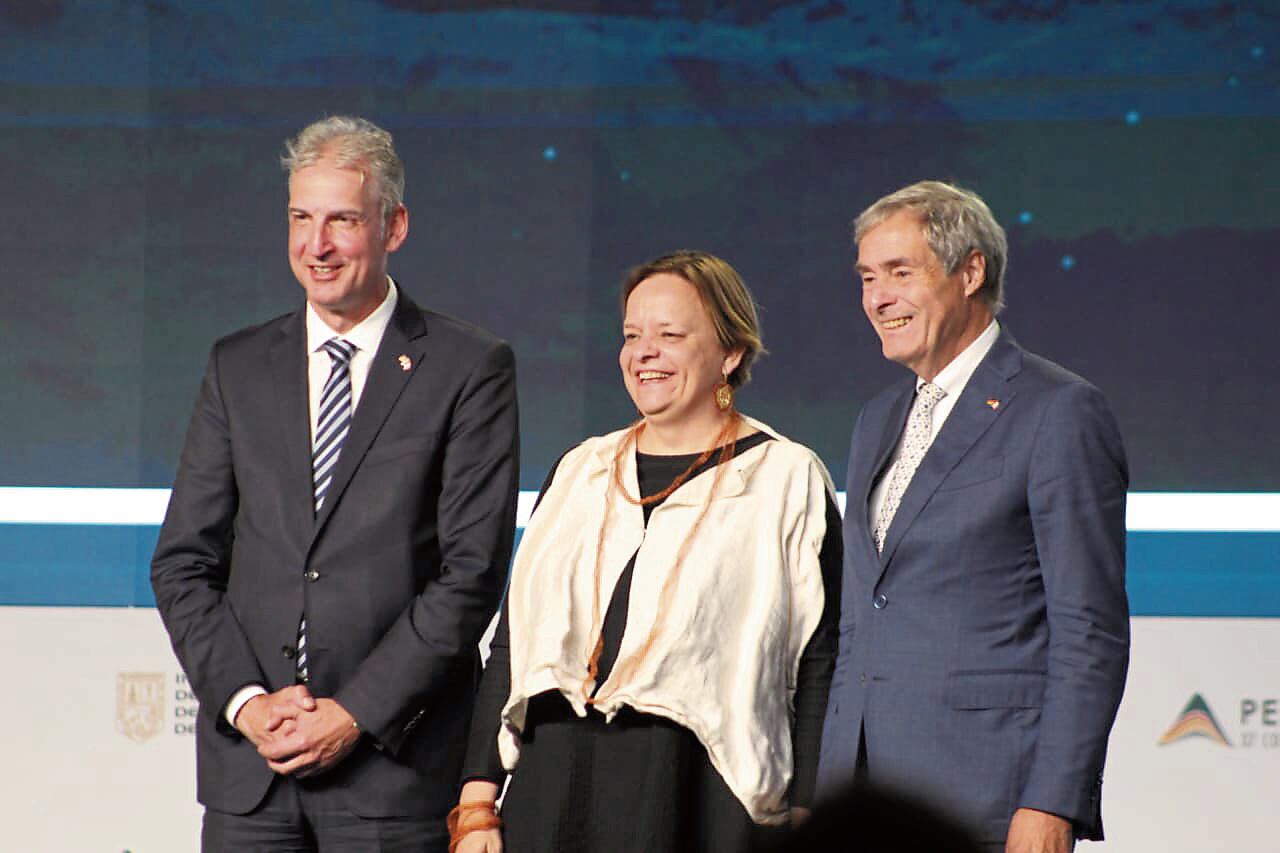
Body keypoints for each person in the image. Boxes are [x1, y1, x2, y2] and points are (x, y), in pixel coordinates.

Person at [151, 115, 520, 852]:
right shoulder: (237, 364)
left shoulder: (468, 367)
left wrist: (353, 712)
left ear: (395, 225)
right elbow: (184, 562)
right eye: (300, 218)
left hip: (393, 774)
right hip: (252, 777)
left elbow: (470, 574)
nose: (316, 246)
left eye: (342, 221)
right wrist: (249, 703)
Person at [450, 251, 842, 853]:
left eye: (670, 335)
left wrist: (809, 813)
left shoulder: (785, 478)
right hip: (555, 783)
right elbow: (514, 642)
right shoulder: (581, 469)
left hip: (699, 792)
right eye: (633, 335)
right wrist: (477, 801)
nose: (643, 353)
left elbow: (818, 664)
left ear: (730, 353)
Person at [816, 181, 1130, 852]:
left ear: (970, 270)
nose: (878, 297)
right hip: (861, 794)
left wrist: (1052, 803)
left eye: (901, 272)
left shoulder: (1057, 411)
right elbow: (862, 616)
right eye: (869, 277)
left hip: (986, 798)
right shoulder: (876, 419)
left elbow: (1090, 629)